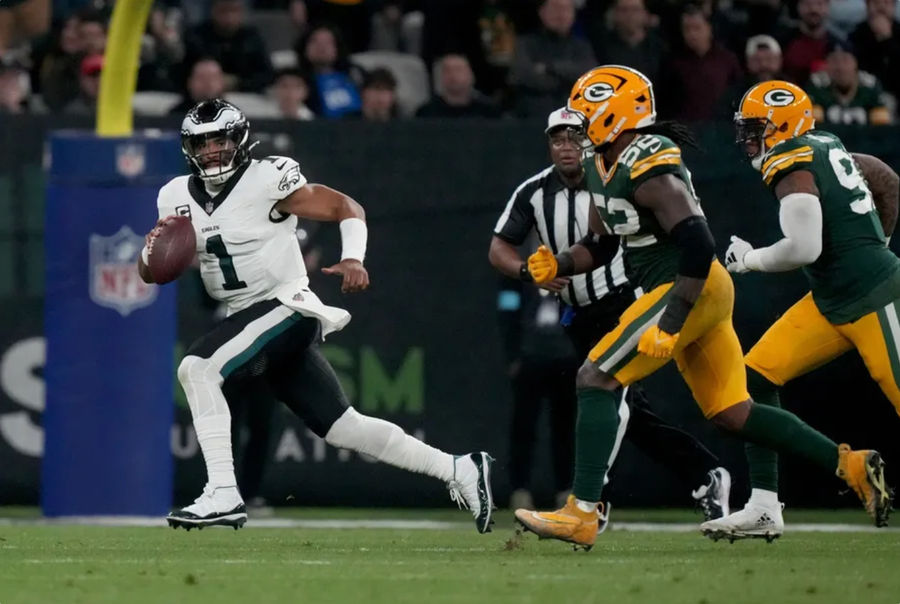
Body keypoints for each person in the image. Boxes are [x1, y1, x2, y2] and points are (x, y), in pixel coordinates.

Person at [513, 65, 890, 551]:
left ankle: (582, 512)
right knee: (733, 412)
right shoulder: (601, 162)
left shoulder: (647, 161)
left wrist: (670, 322)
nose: (579, 125)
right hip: (690, 289)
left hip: (687, 286)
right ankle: (851, 465)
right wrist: (558, 263)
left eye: (588, 113)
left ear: (616, 113)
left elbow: (697, 242)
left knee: (596, 376)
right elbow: (602, 243)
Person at [137, 99, 494, 532]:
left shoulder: (268, 178)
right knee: (345, 427)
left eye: (220, 140)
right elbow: (152, 270)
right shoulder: (174, 195)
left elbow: (347, 207)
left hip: (287, 306)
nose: (212, 151)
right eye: (202, 143)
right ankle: (460, 469)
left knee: (197, 368)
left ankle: (224, 494)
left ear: (240, 139)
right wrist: (149, 254)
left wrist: (354, 257)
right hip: (247, 317)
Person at [490, 107, 731, 520]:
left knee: (607, 394)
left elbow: (678, 236)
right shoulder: (534, 191)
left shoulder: (614, 177)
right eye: (558, 139)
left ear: (592, 138)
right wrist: (528, 270)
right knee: (626, 412)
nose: (567, 148)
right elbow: (499, 248)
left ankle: (588, 502)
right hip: (576, 314)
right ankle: (704, 473)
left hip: (625, 299)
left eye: (574, 138)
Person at [702, 79, 899, 540]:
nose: (749, 138)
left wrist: (748, 260)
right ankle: (765, 506)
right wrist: (876, 237)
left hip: (874, 296)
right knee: (755, 376)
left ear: (783, 124)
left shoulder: (789, 161)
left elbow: (804, 248)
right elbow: (884, 177)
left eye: (757, 128)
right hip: (832, 300)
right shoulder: (824, 142)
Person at [509, 0, 596, 118]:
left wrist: (548, 68)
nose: (561, 14)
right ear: (542, 12)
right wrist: (567, 81)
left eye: (566, 9)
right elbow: (522, 75)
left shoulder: (582, 47)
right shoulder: (525, 44)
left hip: (574, 120)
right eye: (555, 8)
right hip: (533, 119)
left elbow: (590, 76)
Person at [807, 39, 892, 125]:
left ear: (855, 63)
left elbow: (881, 128)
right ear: (827, 64)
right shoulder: (818, 84)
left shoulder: (870, 85)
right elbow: (814, 129)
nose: (840, 67)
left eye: (845, 60)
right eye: (834, 60)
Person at [415, 54, 500, 118]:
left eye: (458, 70)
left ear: (471, 75)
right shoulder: (426, 112)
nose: (452, 75)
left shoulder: (488, 111)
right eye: (447, 71)